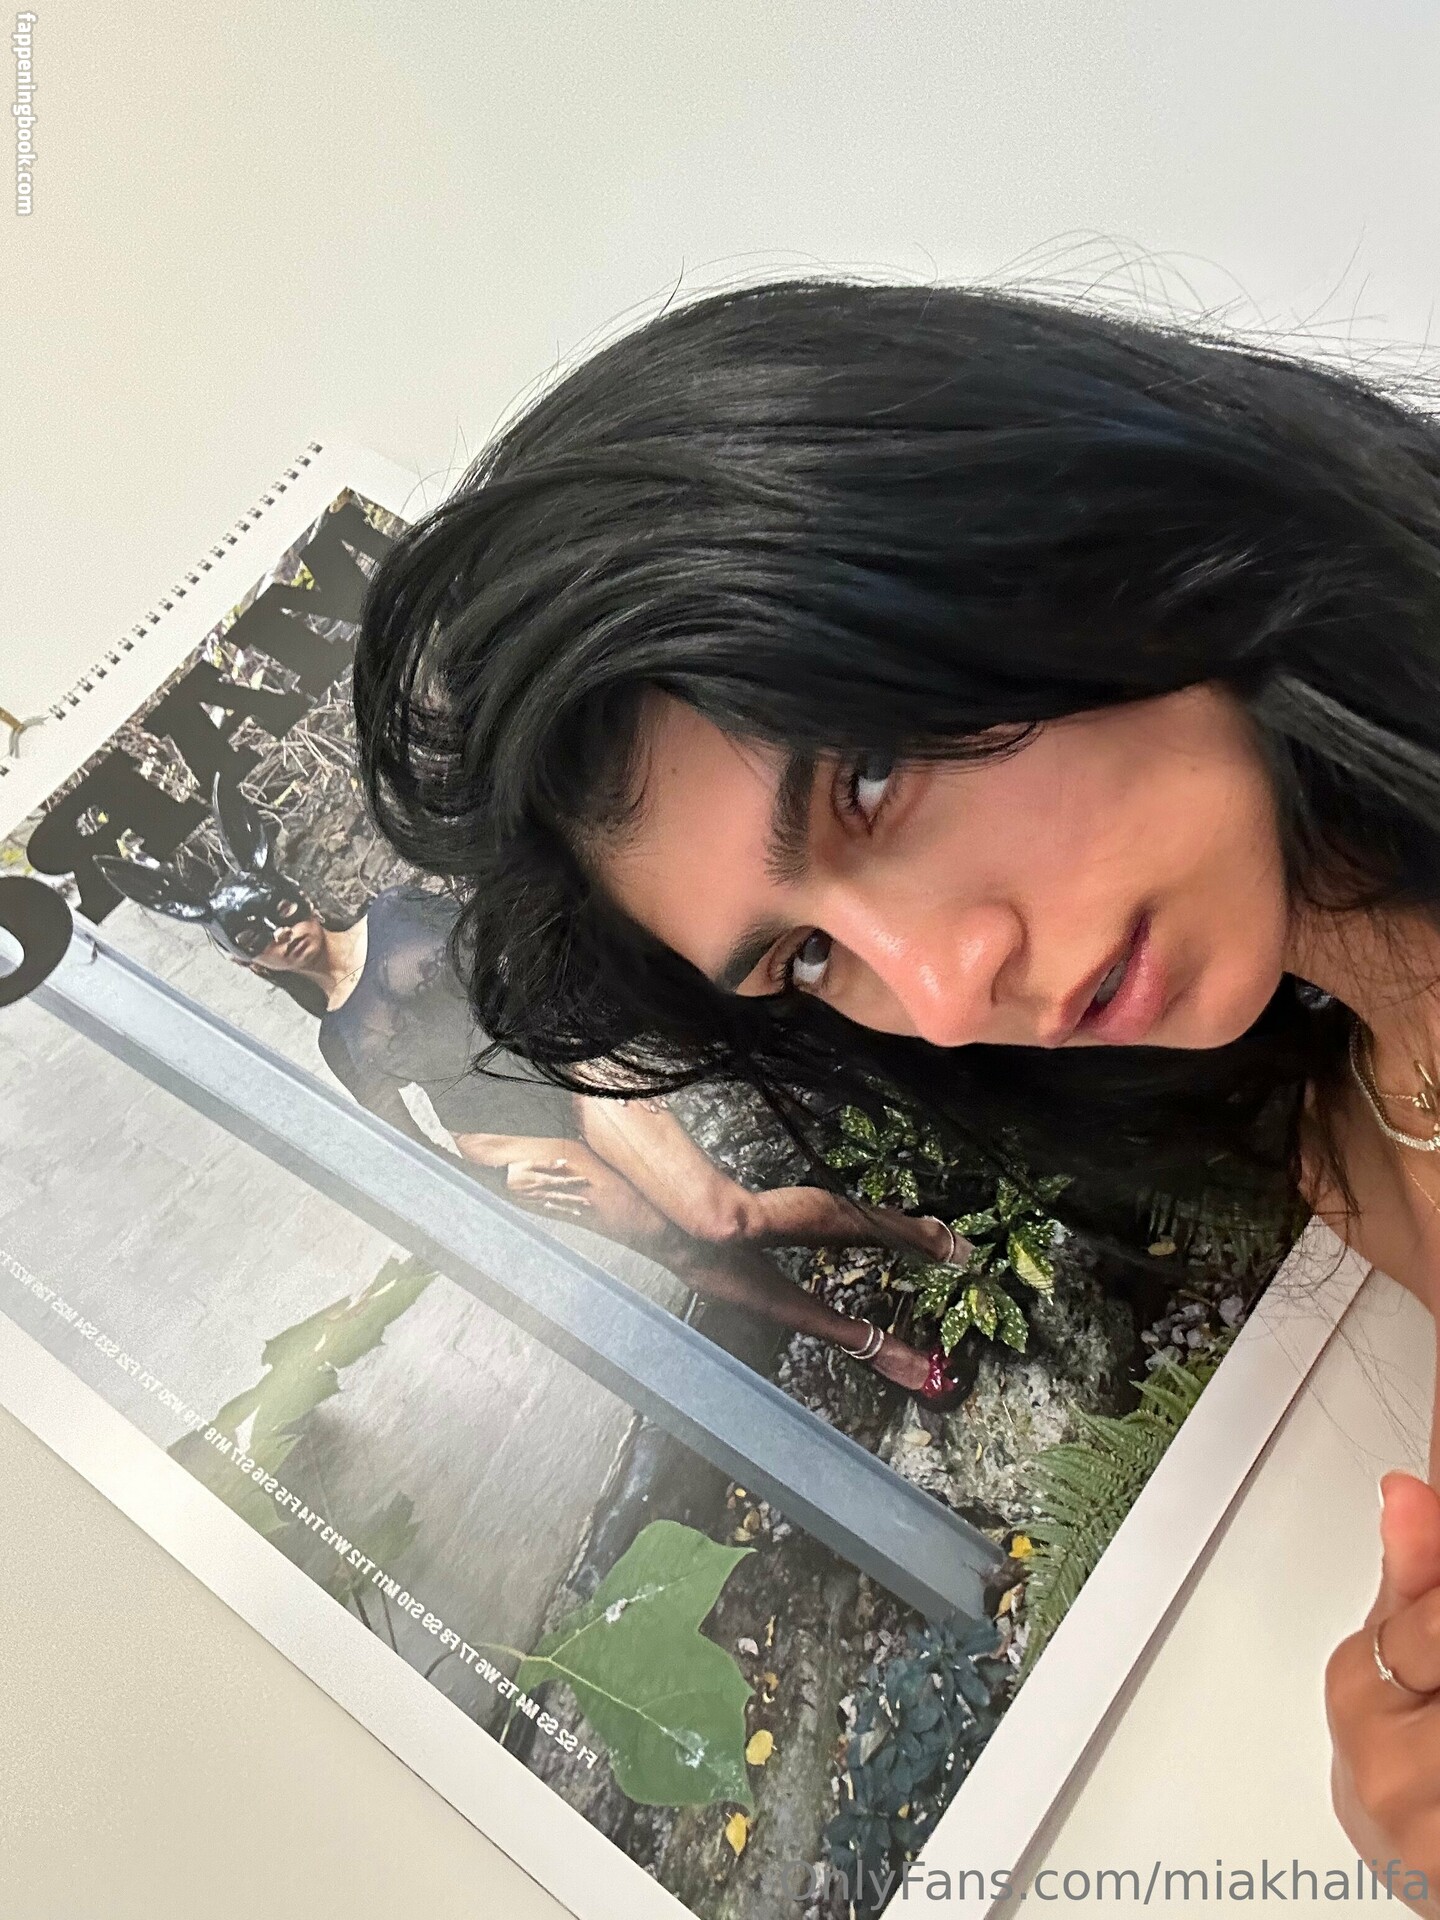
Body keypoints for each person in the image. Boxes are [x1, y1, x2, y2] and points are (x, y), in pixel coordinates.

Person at [349, 275, 1440, 1908]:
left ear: (1046, 521)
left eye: (868, 779)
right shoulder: (1351, 1129)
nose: (940, 990)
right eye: (807, 957)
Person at [96, 772, 970, 1402]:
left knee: (721, 1217)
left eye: (277, 907)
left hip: (564, 1062)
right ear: (246, 961)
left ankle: (915, 1234)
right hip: (509, 1141)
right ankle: (870, 1343)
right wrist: (495, 1181)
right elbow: (407, 1150)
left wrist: (588, 1038)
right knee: (686, 1257)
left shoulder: (396, 912)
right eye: (254, 933)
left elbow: (513, 955)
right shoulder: (339, 1041)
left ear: (296, 889)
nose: (278, 930)